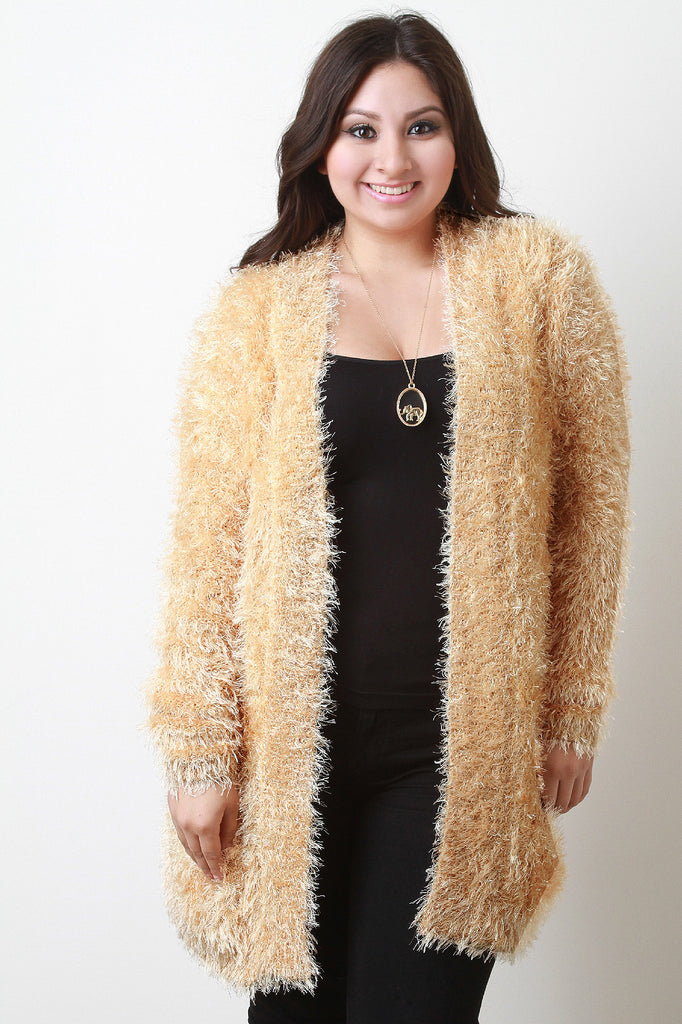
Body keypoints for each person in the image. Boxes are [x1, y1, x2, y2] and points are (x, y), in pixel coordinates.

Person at [143, 12, 632, 1023]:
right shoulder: (257, 311)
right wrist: (199, 752)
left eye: (422, 126)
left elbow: (591, 509)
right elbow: (207, 547)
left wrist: (571, 707)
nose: (392, 160)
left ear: (459, 137)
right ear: (321, 144)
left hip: (457, 750)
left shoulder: (539, 281)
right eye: (361, 129)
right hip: (290, 750)